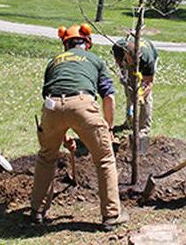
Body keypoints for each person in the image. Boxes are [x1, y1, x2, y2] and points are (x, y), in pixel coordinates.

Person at [29, 23, 129, 231]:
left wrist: (63, 137)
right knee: (104, 159)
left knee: (46, 157)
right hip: (83, 104)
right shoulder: (94, 60)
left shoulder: (54, 61)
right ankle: (111, 215)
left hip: (52, 106)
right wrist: (108, 128)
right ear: (87, 43)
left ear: (65, 44)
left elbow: (54, 101)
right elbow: (108, 96)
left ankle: (37, 211)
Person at [111, 37, 158, 150]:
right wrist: (124, 74)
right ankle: (129, 122)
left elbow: (149, 83)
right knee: (130, 91)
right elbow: (118, 62)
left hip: (147, 62)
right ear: (125, 53)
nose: (135, 63)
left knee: (146, 99)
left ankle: (143, 129)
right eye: (133, 60)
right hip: (126, 62)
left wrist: (141, 95)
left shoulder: (147, 59)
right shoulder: (118, 47)